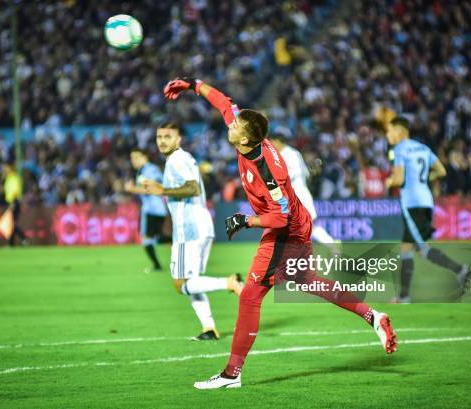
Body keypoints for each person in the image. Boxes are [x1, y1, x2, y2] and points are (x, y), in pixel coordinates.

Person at [163, 77, 397, 389]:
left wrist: (246, 221)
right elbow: (223, 102)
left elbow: (279, 216)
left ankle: (232, 375)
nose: (229, 127)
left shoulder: (265, 170)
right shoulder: (248, 137)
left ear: (246, 140)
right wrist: (193, 85)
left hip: (287, 231)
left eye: (235, 128)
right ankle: (373, 316)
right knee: (309, 281)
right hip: (297, 224)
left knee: (250, 297)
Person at [143, 123, 244, 341]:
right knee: (192, 282)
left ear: (178, 139)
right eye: (159, 136)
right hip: (200, 226)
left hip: (188, 230)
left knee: (181, 284)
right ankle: (209, 328)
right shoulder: (183, 159)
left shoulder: (177, 159)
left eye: (168, 136)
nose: (162, 140)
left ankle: (229, 283)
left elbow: (193, 188)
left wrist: (163, 190)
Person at [385, 117, 471, 303]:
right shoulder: (423, 148)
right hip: (426, 201)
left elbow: (398, 180)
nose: (388, 135)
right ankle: (404, 296)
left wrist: (389, 181)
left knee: (421, 249)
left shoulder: (400, 149)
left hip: (412, 203)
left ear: (400, 131)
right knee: (408, 247)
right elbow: (441, 171)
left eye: (390, 131)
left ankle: (460, 270)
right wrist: (422, 179)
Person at [269, 131, 340, 254]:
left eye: (272, 142)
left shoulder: (290, 153)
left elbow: (296, 173)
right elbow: (306, 173)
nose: (271, 145)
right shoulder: (284, 154)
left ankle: (331, 247)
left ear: (278, 141)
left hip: (300, 196)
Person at [125, 148, 167, 272]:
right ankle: (158, 265)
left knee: (148, 239)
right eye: (132, 158)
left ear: (145, 157)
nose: (133, 160)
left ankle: (157, 266)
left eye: (136, 157)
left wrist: (133, 189)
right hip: (151, 209)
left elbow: (153, 188)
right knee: (151, 239)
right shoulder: (142, 171)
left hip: (154, 209)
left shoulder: (150, 169)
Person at [3, 164, 27, 246]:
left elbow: (15, 191)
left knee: (11, 224)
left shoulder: (14, 178)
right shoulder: (8, 178)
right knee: (10, 224)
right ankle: (11, 243)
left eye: (6, 168)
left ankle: (24, 238)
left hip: (14, 202)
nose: (4, 170)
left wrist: (12, 203)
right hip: (10, 202)